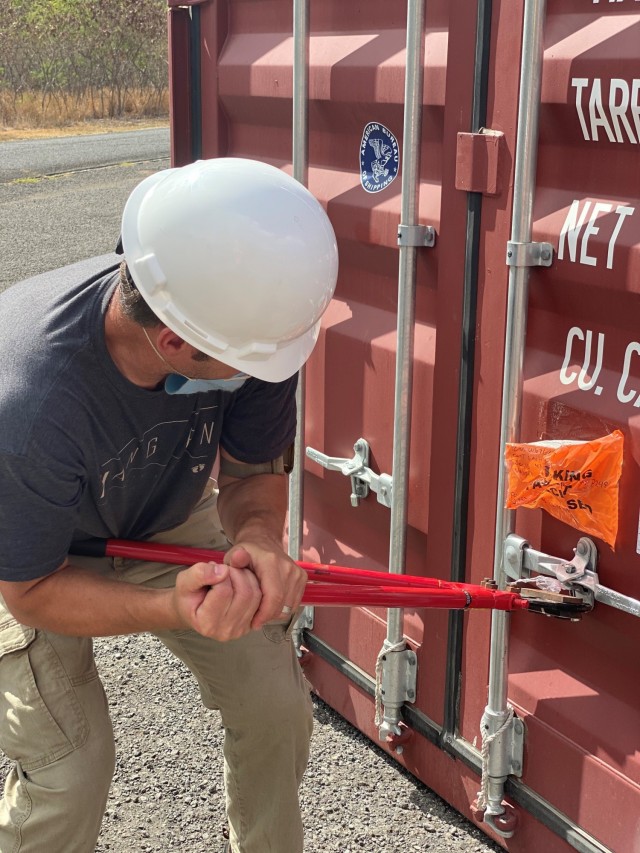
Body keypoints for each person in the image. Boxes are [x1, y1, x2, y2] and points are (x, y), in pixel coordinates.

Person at [0, 157, 339, 853]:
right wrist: (173, 606)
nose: (262, 373)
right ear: (175, 340)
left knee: (275, 707)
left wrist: (261, 541)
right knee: (70, 769)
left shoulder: (246, 322)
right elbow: (31, 589)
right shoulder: (31, 401)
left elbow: (251, 471)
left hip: (158, 510)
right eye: (245, 364)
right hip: (27, 549)